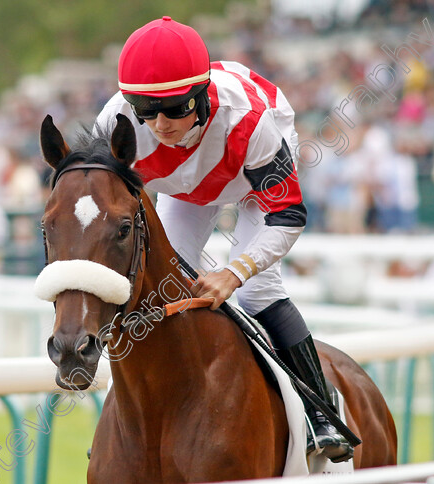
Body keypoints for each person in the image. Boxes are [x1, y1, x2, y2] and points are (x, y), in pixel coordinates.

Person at [94, 16, 353, 462]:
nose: (160, 124)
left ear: (200, 94)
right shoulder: (114, 122)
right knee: (163, 286)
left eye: (175, 108)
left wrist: (234, 272)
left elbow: (287, 215)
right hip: (182, 187)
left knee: (257, 289)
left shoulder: (251, 124)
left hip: (248, 178)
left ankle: (320, 411)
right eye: (146, 110)